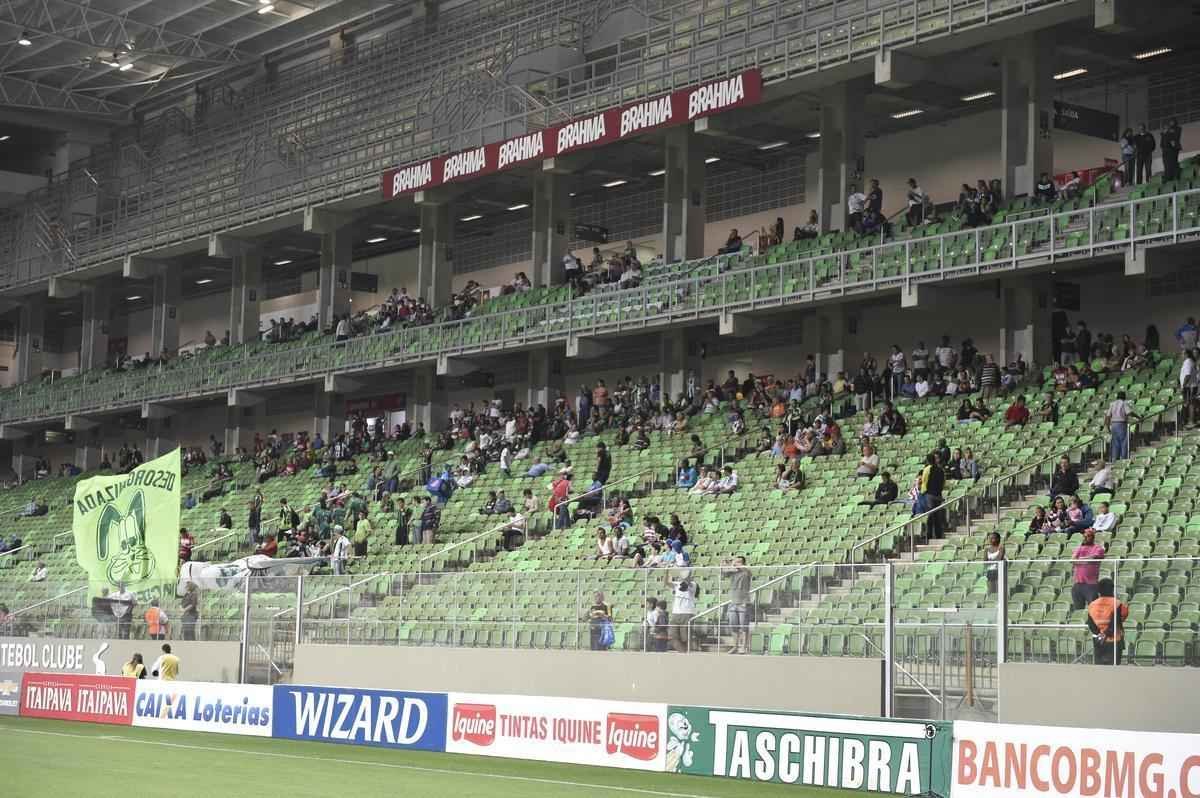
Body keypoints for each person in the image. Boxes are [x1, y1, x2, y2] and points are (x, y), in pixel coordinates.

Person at [1086, 578, 1128, 665]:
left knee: (1099, 669)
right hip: (1114, 641)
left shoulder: (1092, 605)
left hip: (1098, 641)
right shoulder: (1117, 603)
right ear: (1112, 589)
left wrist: (1100, 634)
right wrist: (1106, 633)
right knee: (1113, 671)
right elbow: (1119, 620)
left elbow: (1090, 624)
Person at [722, 556, 752, 654]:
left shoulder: (746, 572)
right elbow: (723, 573)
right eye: (736, 561)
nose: (736, 563)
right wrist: (724, 563)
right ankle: (735, 646)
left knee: (744, 627)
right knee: (734, 626)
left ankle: (744, 647)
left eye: (739, 562)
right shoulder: (733, 572)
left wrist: (735, 564)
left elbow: (747, 570)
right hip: (733, 602)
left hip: (744, 602)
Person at [1071, 529, 1106, 611]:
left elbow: (1093, 558)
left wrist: (1080, 559)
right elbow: (1072, 560)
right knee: (1078, 610)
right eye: (1084, 536)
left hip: (1091, 585)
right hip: (1078, 584)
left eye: (1088, 536)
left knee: (1094, 610)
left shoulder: (1098, 548)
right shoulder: (1080, 548)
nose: (1085, 538)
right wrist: (1085, 560)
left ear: (1092, 537)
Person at [667, 570, 698, 653]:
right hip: (675, 613)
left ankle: (687, 654)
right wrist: (666, 571)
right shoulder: (677, 585)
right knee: (673, 637)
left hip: (687, 613)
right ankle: (683, 654)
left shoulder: (693, 585)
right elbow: (667, 582)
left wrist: (686, 575)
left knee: (686, 638)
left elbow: (686, 584)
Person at [1105, 391, 1139, 461]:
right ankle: (1124, 460)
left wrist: (1108, 427)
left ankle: (1115, 459)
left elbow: (1108, 416)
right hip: (1121, 424)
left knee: (1115, 443)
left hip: (1113, 424)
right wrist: (1138, 417)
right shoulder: (1123, 403)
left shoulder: (1112, 404)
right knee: (1124, 442)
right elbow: (1129, 412)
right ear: (1124, 397)